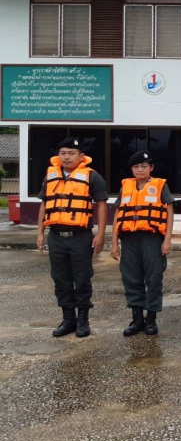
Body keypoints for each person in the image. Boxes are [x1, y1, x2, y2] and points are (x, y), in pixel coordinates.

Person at [37, 137, 108, 338]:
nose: (66, 157)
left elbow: (102, 205)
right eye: (63, 153)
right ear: (58, 155)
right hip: (56, 236)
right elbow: (44, 204)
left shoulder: (92, 176)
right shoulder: (50, 176)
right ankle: (68, 319)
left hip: (80, 237)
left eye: (71, 153)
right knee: (60, 278)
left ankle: (83, 320)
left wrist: (101, 234)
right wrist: (40, 233)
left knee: (82, 278)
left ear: (81, 156)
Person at [110, 151, 175, 337]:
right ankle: (137, 319)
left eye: (144, 166)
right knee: (131, 278)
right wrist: (114, 242)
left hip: (152, 238)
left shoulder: (160, 186)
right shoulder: (125, 187)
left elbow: (169, 212)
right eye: (136, 166)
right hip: (129, 239)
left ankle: (151, 319)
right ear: (132, 169)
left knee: (154, 278)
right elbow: (118, 215)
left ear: (151, 168)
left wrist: (167, 239)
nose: (140, 169)